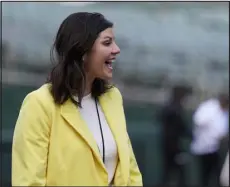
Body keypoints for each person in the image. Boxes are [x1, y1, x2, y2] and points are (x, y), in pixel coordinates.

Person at [12, 12, 142, 186]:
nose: (116, 49)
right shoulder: (39, 104)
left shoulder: (113, 98)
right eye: (107, 43)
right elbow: (29, 182)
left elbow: (130, 170)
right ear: (82, 50)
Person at [190, 93, 229, 186]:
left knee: (218, 175)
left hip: (217, 148)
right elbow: (198, 121)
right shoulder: (209, 107)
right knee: (204, 175)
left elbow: (223, 130)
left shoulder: (225, 111)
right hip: (203, 148)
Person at [159, 85, 192, 187]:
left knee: (168, 172)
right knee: (180, 172)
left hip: (167, 144)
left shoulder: (167, 107)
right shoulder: (176, 109)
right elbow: (182, 127)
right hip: (175, 146)